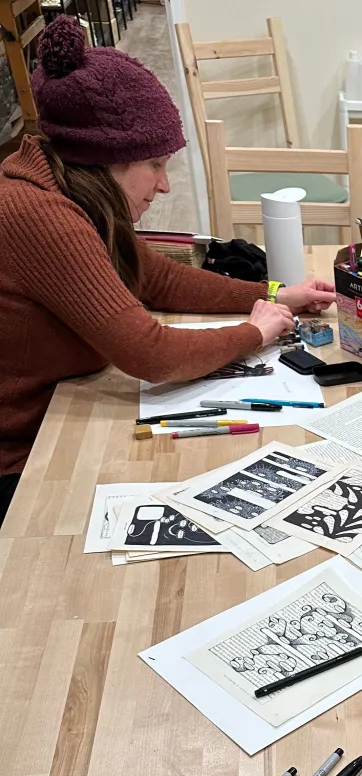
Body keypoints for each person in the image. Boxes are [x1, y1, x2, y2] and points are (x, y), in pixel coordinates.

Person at [0, 16, 335, 525]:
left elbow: (156, 279)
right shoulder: (43, 217)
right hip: (22, 459)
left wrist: (275, 293)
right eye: (154, 165)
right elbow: (149, 353)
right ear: (105, 160)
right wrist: (253, 332)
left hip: (63, 409)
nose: (164, 186)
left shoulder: (65, 182)